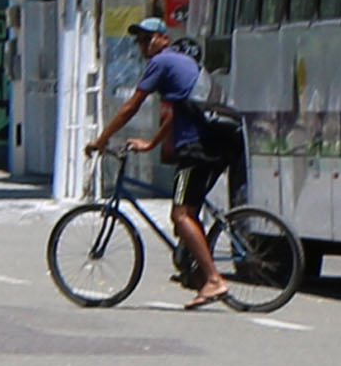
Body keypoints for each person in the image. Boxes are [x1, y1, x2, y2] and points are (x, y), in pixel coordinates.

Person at [84, 15, 236, 307]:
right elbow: (177, 113)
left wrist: (101, 139)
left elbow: (131, 106)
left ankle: (214, 279)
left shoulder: (162, 61)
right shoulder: (182, 63)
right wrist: (151, 144)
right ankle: (197, 273)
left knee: (180, 215)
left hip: (196, 149)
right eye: (139, 40)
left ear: (163, 38)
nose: (143, 45)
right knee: (188, 213)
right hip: (215, 144)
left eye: (148, 38)